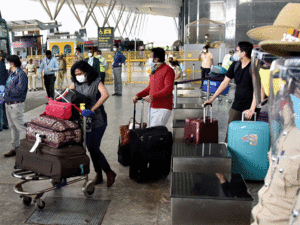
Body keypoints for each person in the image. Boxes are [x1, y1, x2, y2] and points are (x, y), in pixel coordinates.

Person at [69, 60, 116, 187]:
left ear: (86, 72)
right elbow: (67, 94)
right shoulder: (76, 83)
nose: (78, 75)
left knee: (93, 147)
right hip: (84, 121)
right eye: (76, 74)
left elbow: (105, 94)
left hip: (98, 120)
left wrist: (92, 109)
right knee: (92, 148)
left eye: (80, 73)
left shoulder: (95, 81)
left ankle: (108, 172)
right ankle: (99, 175)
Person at [204, 41, 255, 142]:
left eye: (237, 51)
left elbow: (258, 90)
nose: (235, 53)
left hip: (250, 107)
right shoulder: (235, 65)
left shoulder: (253, 67)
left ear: (243, 53)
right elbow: (224, 83)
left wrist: (252, 109)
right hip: (237, 104)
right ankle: (228, 153)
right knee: (231, 131)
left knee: (248, 136)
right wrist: (211, 99)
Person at [132, 47, 175, 127]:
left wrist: (153, 96)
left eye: (150, 57)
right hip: (152, 106)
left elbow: (168, 89)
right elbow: (150, 88)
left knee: (155, 131)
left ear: (156, 59)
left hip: (163, 107)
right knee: (152, 132)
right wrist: (138, 95)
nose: (149, 59)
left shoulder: (168, 70)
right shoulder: (154, 71)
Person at [4, 55, 28, 157]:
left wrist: (6, 91)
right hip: (8, 104)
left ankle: (25, 150)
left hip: (16, 105)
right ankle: (15, 148)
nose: (6, 64)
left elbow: (20, 90)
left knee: (20, 128)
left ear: (12, 63)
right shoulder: (11, 74)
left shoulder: (21, 74)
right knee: (12, 128)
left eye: (7, 62)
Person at [0, 52, 9, 131]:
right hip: (4, 87)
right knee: (3, 107)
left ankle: (0, 125)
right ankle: (5, 124)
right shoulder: (5, 65)